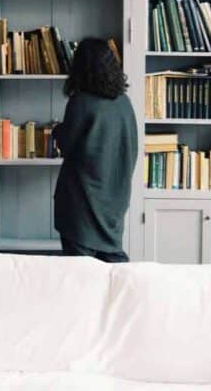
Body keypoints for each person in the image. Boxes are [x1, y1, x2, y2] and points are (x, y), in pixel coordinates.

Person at [53, 38, 138, 262]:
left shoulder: (80, 102)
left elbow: (67, 144)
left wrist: (56, 131)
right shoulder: (124, 102)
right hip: (114, 199)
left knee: (81, 275)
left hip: (81, 201)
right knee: (114, 269)